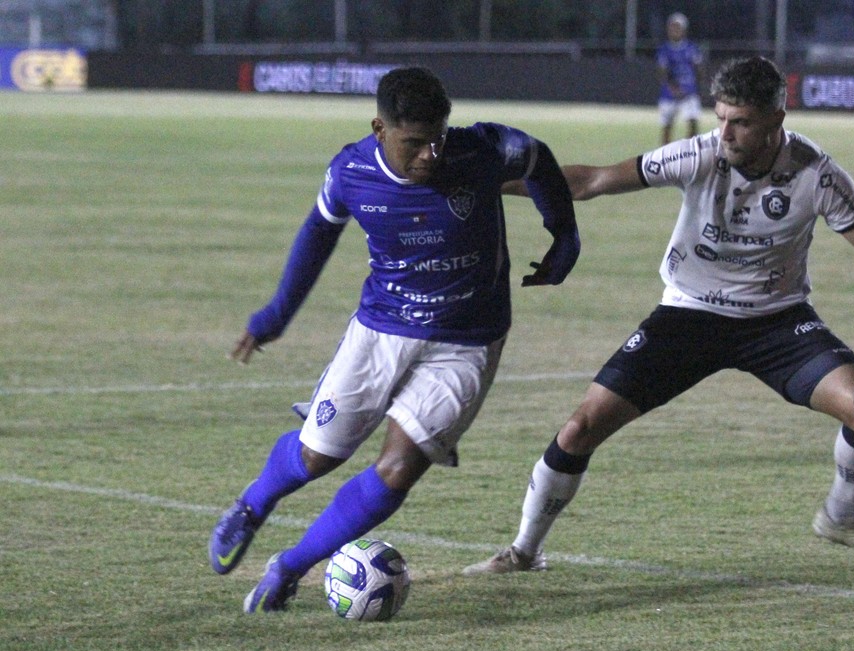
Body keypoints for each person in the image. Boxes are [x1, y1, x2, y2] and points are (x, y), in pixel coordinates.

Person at [464, 56, 854, 578]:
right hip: (687, 317)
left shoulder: (818, 174)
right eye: (720, 118)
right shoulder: (699, 156)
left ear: (776, 120)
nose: (726, 134)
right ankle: (523, 551)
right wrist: (486, 182)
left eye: (741, 123)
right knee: (580, 428)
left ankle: (840, 517)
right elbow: (590, 181)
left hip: (777, 322)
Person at [208, 66, 580, 613]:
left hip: (467, 340)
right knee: (316, 457)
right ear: (379, 128)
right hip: (380, 330)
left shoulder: (482, 148)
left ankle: (290, 567)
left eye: (438, 138)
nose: (430, 153)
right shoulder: (351, 170)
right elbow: (317, 232)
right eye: (414, 143)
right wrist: (275, 315)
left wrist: (563, 234)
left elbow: (538, 159)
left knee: (399, 468)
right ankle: (254, 502)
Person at [656, 12, 705, 145]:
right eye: (672, 27)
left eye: (677, 27)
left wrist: (696, 88)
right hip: (669, 94)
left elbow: (699, 69)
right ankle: (664, 157)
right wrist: (672, 88)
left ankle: (689, 153)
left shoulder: (691, 48)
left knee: (693, 122)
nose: (674, 30)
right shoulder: (664, 49)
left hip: (689, 92)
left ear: (684, 30)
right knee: (667, 126)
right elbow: (662, 72)